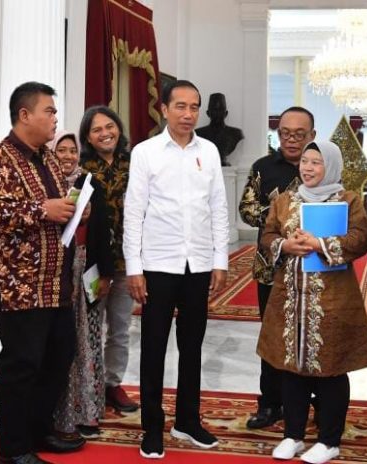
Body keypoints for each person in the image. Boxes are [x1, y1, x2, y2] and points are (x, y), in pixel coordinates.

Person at [0, 82, 85, 463]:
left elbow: (54, 207)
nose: (55, 119)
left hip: (56, 283)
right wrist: (43, 210)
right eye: (49, 111)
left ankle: (38, 432)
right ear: (25, 115)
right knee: (21, 366)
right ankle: (13, 450)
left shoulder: (49, 158)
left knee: (57, 358)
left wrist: (72, 209)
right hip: (20, 286)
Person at [123, 79, 229, 459]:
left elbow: (218, 207)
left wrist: (219, 260)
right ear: (164, 109)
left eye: (194, 106)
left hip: (198, 263)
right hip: (158, 264)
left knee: (192, 345)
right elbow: (133, 213)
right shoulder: (146, 153)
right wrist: (134, 268)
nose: (188, 114)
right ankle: (151, 425)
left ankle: (187, 419)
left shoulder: (210, 151)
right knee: (153, 346)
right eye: (180, 106)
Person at [258, 141, 367, 464]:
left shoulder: (349, 200)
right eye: (305, 162)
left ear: (332, 167)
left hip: (333, 299)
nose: (307, 168)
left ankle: (329, 439)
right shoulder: (284, 200)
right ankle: (293, 435)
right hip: (291, 296)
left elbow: (360, 239)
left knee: (331, 368)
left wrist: (320, 243)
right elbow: (267, 236)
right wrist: (285, 244)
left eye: (316, 163)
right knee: (290, 367)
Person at [238, 106, 316, 430]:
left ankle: (315, 402)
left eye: (300, 134)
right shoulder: (263, 167)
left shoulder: (321, 167)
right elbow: (246, 208)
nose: (292, 140)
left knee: (312, 337)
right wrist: (281, 213)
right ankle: (270, 404)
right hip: (271, 267)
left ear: (312, 136)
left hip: (314, 270)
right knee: (272, 339)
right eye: (285, 133)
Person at [78, 106, 138, 414]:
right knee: (90, 327)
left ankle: (114, 384)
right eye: (97, 129)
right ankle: (90, 385)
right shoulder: (80, 170)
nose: (105, 133)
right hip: (92, 264)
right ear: (87, 137)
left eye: (109, 126)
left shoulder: (135, 164)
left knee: (120, 328)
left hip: (128, 261)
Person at [50, 131, 106, 439]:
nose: (69, 156)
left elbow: (102, 229)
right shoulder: (44, 185)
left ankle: (88, 412)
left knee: (89, 341)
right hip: (56, 273)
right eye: (62, 150)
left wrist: (104, 273)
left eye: (73, 150)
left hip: (87, 270)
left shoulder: (90, 184)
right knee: (62, 343)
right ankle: (61, 415)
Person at [195, 92, 244, 166]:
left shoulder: (236, 133)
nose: (217, 113)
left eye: (220, 110)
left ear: (226, 113)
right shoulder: (198, 133)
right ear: (208, 113)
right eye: (214, 110)